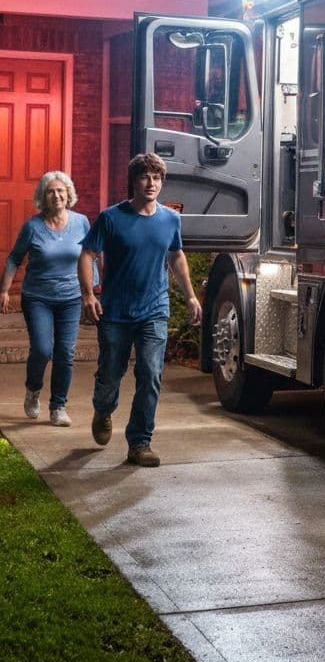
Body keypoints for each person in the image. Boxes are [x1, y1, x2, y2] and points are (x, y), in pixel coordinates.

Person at [78, 152, 201, 467]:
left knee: (150, 374)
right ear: (133, 181)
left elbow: (175, 256)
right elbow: (88, 255)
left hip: (153, 310)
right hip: (116, 312)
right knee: (110, 373)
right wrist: (89, 294)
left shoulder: (170, 219)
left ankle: (139, 443)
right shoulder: (111, 217)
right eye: (145, 177)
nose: (152, 183)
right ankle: (103, 410)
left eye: (157, 177)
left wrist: (189, 295)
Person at [0, 171, 91, 426]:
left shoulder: (81, 222)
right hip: (37, 297)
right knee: (42, 349)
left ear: (68, 194)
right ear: (43, 196)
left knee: (65, 352)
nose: (56, 195)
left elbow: (90, 256)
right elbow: (14, 258)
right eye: (50, 191)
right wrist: (4, 290)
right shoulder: (33, 226)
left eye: (60, 190)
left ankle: (58, 406)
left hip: (71, 298)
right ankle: (33, 389)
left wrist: (91, 291)